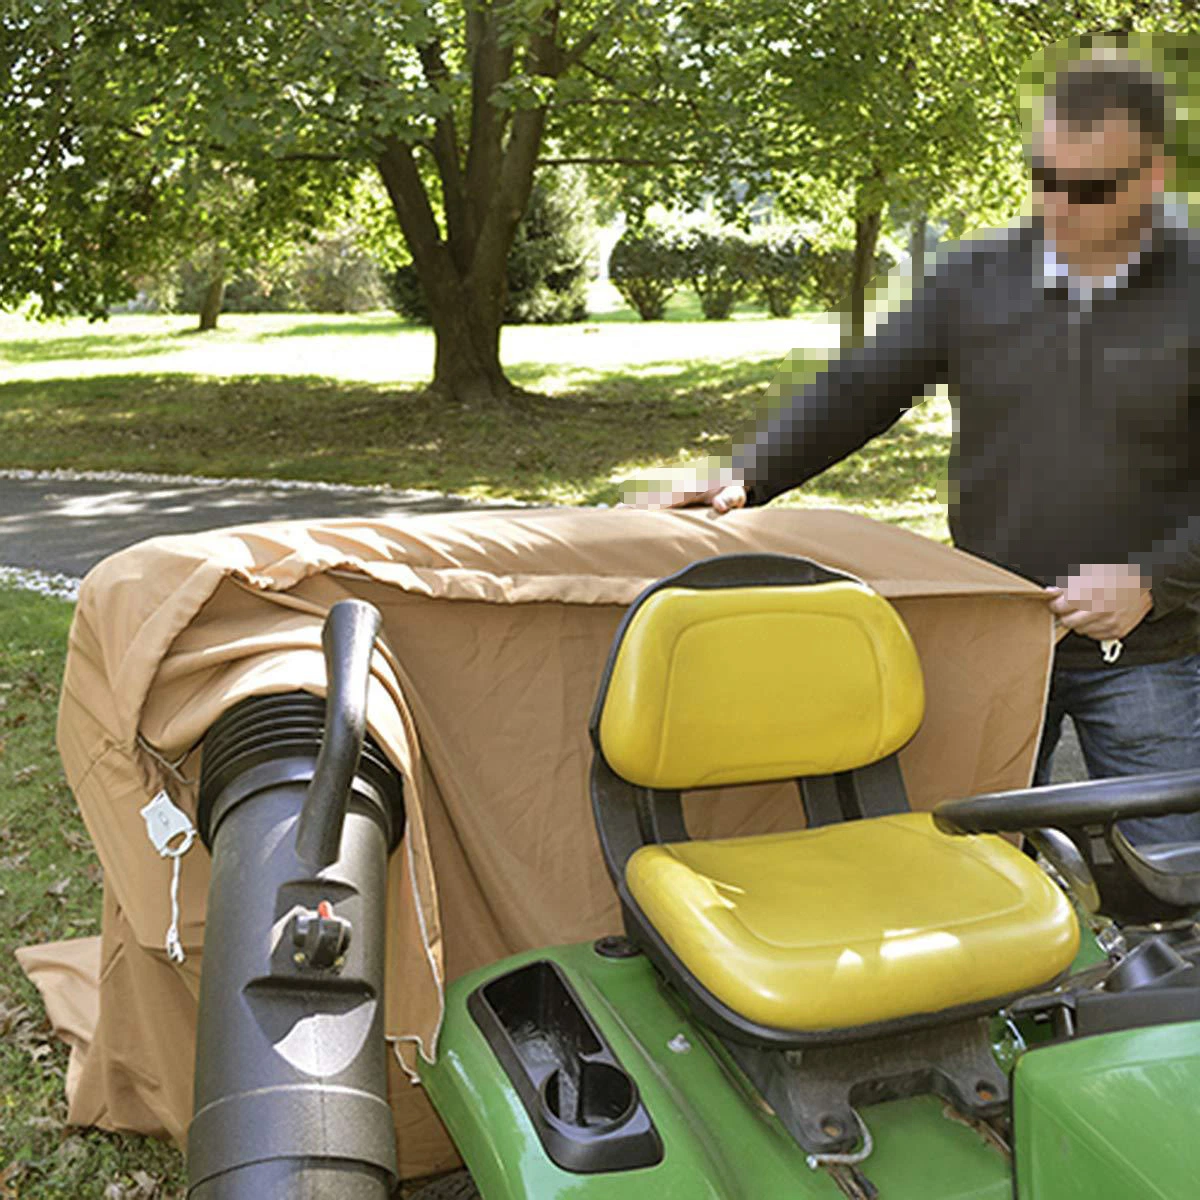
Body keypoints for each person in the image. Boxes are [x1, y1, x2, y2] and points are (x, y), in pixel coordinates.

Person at [651, 56, 1200, 846]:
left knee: (1175, 888)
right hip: (996, 642)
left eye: (1089, 188)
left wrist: (1154, 578)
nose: (1058, 205)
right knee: (965, 872)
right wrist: (748, 474)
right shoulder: (971, 278)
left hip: (1152, 658)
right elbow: (860, 389)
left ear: (1151, 176)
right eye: (1043, 176)